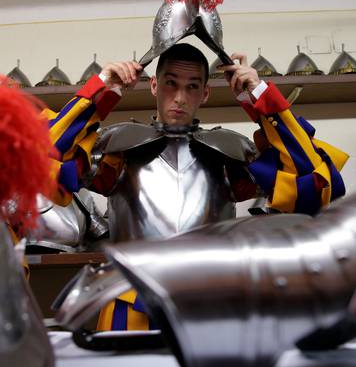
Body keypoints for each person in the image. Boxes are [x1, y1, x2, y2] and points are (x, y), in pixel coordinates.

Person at [44, 43, 348, 331]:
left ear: (204, 93)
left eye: (192, 87)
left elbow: (314, 181)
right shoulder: (119, 150)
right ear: (153, 86)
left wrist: (258, 96)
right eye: (170, 83)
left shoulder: (229, 152)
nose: (180, 97)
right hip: (129, 302)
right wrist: (102, 90)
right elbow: (45, 156)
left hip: (212, 303)